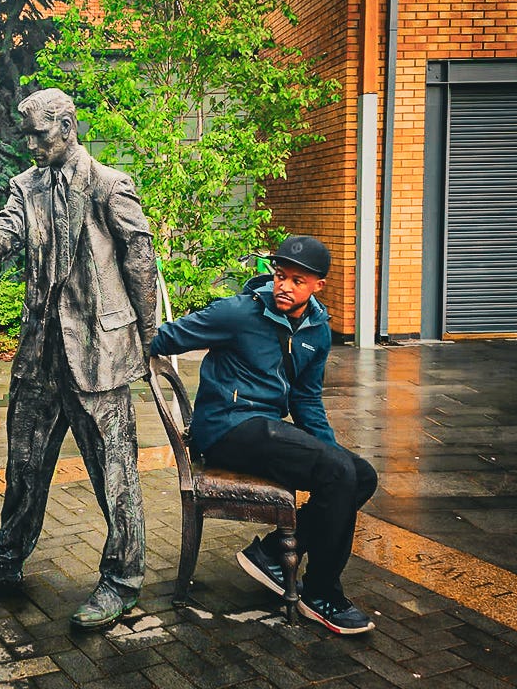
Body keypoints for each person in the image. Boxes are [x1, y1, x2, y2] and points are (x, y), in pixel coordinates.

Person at [0, 88, 157, 629]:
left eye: (38, 134)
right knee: (23, 468)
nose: (30, 145)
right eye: (26, 135)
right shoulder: (27, 186)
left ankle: (121, 581)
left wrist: (148, 336)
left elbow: (140, 258)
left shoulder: (110, 186)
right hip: (41, 358)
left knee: (115, 474)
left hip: (98, 355)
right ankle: (6, 563)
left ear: (67, 126)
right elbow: (8, 227)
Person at [150, 235, 378, 635]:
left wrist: (332, 452)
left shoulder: (317, 332)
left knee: (359, 474)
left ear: (318, 286)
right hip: (224, 428)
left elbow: (306, 401)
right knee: (339, 470)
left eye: (297, 280)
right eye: (280, 275)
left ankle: (272, 553)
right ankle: (321, 594)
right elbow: (166, 338)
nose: (284, 286)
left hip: (264, 430)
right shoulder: (238, 313)